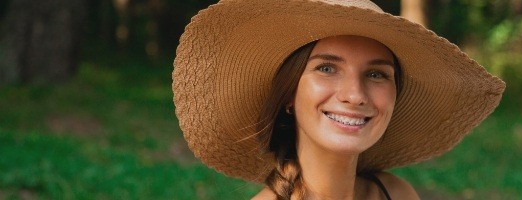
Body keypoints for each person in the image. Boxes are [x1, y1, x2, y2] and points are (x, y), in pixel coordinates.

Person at [172, 0, 505, 199]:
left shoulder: (395, 194)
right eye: (327, 68)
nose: (355, 95)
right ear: (289, 92)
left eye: (376, 74)